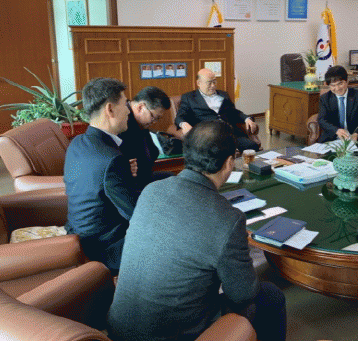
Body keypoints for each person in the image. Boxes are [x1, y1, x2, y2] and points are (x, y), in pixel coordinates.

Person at [108, 120, 286, 341]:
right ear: (229, 163)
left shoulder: (151, 191)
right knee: (270, 296)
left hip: (119, 329)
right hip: (171, 335)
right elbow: (243, 294)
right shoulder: (228, 219)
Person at [64, 78, 139, 274]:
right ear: (110, 109)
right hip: (106, 248)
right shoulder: (111, 159)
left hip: (79, 235)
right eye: (125, 104)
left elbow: (96, 184)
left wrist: (124, 176)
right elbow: (135, 213)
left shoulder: (77, 143)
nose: (129, 111)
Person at [175, 68, 259, 152]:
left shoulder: (223, 94)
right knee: (220, 151)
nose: (213, 85)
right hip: (209, 137)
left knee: (252, 146)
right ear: (199, 83)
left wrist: (247, 119)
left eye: (214, 81)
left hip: (231, 134)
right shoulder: (189, 98)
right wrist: (184, 125)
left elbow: (234, 112)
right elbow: (180, 117)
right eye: (209, 83)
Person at [119, 86, 172, 191]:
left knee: (172, 179)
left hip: (144, 176)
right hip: (131, 183)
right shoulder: (123, 122)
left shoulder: (140, 122)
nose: (155, 122)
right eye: (154, 117)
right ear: (140, 107)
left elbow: (152, 152)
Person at [317, 65, 358, 145]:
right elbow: (322, 120)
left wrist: (356, 133)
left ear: (347, 81)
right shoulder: (325, 98)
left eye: (340, 84)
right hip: (332, 138)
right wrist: (336, 130)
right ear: (328, 85)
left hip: (355, 138)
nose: (337, 88)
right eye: (333, 85)